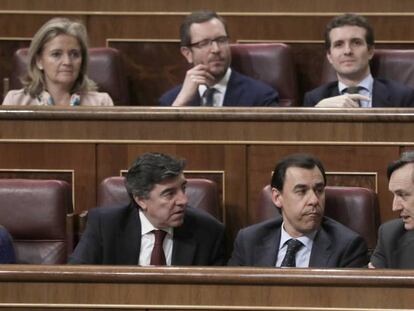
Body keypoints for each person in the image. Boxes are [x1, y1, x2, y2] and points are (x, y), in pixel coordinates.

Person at [69, 152, 225, 265]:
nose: (184, 200)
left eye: (183, 188)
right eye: (169, 194)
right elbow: (76, 280)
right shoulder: (105, 225)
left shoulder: (209, 232)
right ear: (141, 200)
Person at [228, 153, 368, 267]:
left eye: (319, 190)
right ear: (277, 197)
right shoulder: (249, 241)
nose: (314, 200)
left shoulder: (347, 247)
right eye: (301, 191)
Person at [159, 10, 279, 107]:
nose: (216, 49)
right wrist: (179, 104)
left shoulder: (261, 98)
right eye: (204, 43)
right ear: (188, 54)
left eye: (221, 40)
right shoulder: (170, 101)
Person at [303, 13, 414, 108]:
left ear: (370, 51)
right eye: (339, 44)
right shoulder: (315, 99)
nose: (347, 51)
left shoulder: (402, 96)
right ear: (329, 56)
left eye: (356, 43)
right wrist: (317, 112)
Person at [2, 17, 113, 106]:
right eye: (56, 54)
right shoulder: (16, 102)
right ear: (39, 61)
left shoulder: (101, 103)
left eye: (74, 54)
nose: (67, 62)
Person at [369, 151, 414, 269]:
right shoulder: (390, 235)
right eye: (394, 195)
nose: (395, 207)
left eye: (402, 195)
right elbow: (371, 286)